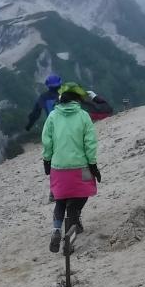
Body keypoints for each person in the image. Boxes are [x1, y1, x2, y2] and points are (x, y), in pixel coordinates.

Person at [42, 82, 102, 253]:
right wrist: (93, 165)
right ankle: (73, 219)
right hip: (81, 166)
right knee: (83, 193)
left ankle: (55, 230)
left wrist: (47, 161)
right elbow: (90, 143)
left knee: (60, 199)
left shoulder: (53, 116)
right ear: (76, 100)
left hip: (58, 166)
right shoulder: (83, 116)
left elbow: (47, 141)